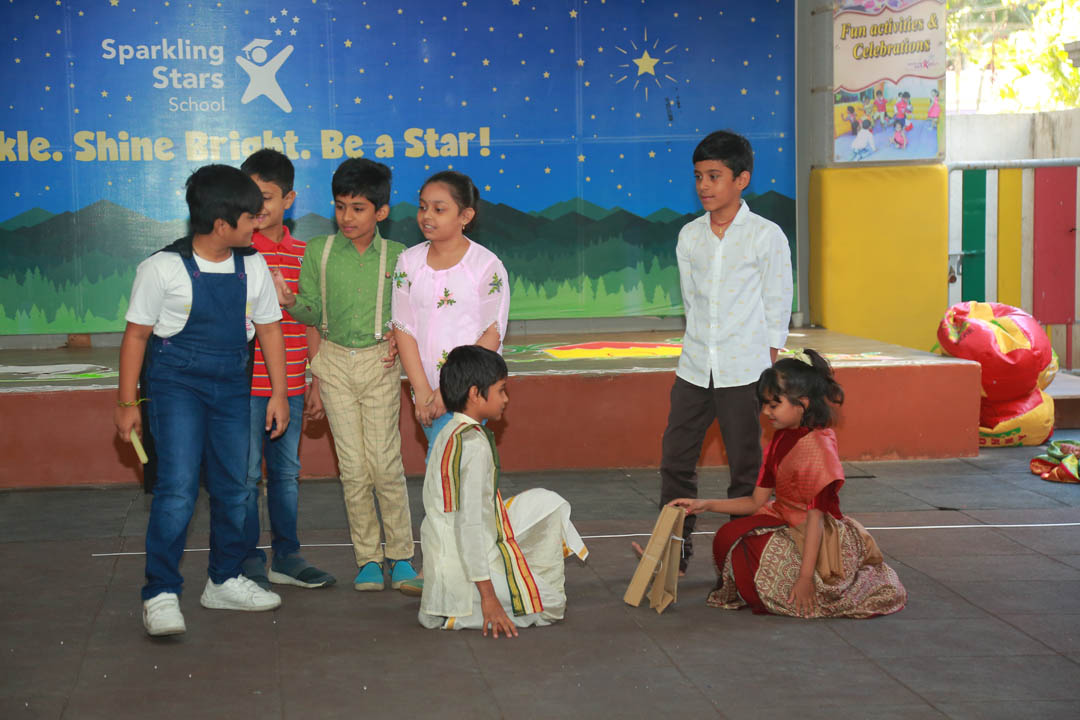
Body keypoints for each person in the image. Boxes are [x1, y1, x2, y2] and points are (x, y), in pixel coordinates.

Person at [114, 164, 288, 636]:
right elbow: (136, 337)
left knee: (235, 487)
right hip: (176, 387)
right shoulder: (161, 268)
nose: (257, 223)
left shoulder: (252, 265)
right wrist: (127, 404)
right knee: (177, 488)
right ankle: (160, 592)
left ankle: (224, 579)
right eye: (250, 218)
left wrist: (278, 393)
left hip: (232, 385)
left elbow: (269, 329)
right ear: (221, 224)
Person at [670, 349, 907, 619]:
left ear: (802, 403)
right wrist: (704, 504)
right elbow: (755, 502)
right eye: (764, 404)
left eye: (774, 405)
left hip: (815, 536)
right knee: (729, 536)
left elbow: (815, 521)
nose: (765, 412)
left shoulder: (818, 448)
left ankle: (800, 586)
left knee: (758, 557)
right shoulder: (780, 439)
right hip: (782, 520)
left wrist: (806, 579)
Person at [653, 130, 793, 574]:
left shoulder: (766, 235)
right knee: (676, 462)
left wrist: (766, 366)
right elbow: (691, 302)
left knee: (746, 471)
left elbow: (777, 305)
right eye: (698, 176)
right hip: (695, 369)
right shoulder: (689, 236)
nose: (704, 185)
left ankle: (743, 562)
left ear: (741, 179)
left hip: (745, 371)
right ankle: (672, 556)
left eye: (714, 176)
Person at [275, 158, 417, 593]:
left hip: (380, 362)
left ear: (381, 211)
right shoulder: (319, 251)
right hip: (333, 362)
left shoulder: (401, 256)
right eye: (340, 207)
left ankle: (402, 555)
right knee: (353, 468)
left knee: (385, 464)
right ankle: (368, 558)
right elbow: (312, 313)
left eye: (358, 208)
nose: (347, 217)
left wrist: (397, 336)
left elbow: (412, 312)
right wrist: (290, 303)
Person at [417, 345, 587, 635]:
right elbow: (469, 525)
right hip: (463, 560)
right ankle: (457, 612)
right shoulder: (473, 444)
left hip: (454, 545)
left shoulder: (448, 431)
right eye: (500, 390)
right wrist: (489, 598)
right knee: (552, 605)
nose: (506, 399)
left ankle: (476, 594)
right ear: (475, 394)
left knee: (549, 503)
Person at [239, 148, 335, 590]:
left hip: (292, 386)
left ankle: (287, 556)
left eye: (267, 197)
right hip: (243, 388)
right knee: (243, 476)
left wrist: (316, 380)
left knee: (285, 475)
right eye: (250, 197)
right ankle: (244, 559)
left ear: (289, 199)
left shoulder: (305, 255)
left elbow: (312, 320)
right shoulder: (237, 253)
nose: (258, 207)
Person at [393, 171, 510, 460]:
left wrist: (449, 392)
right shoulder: (408, 262)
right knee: (444, 467)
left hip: (469, 393)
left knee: (454, 468)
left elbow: (492, 334)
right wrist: (422, 390)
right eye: (422, 207)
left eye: (439, 209)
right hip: (425, 393)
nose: (426, 216)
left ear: (465, 216)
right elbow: (403, 327)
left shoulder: (486, 265)